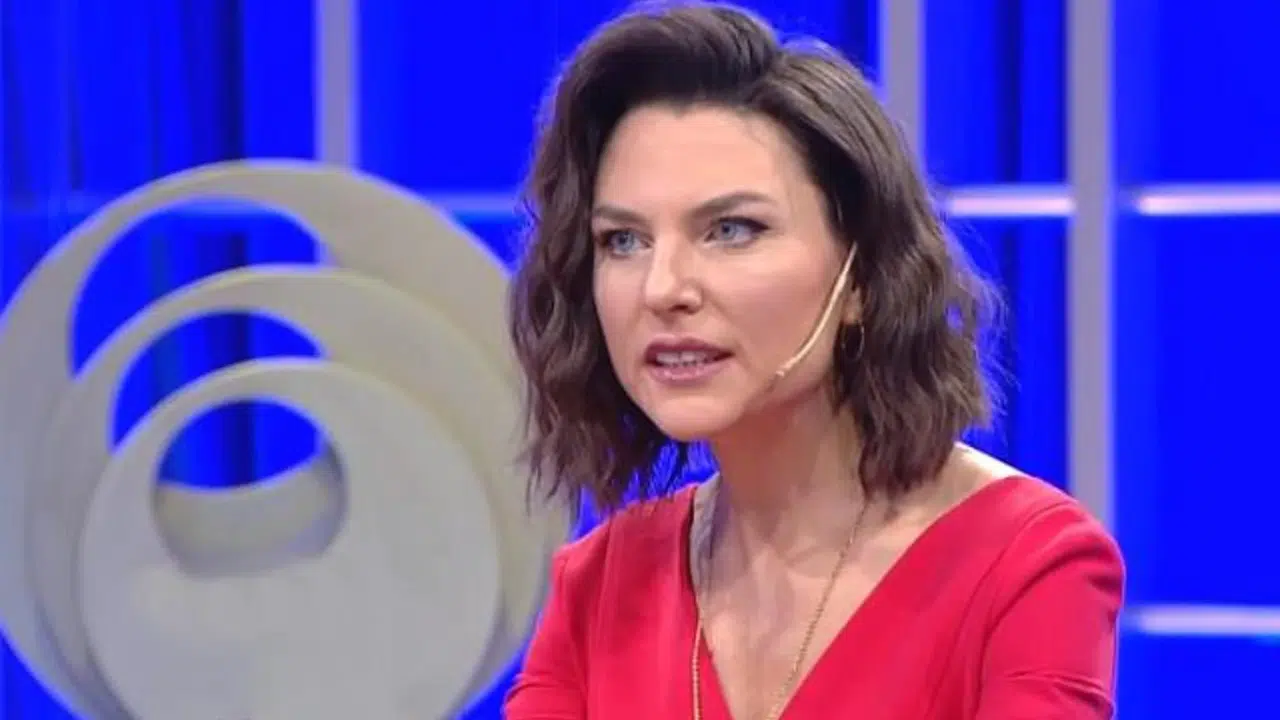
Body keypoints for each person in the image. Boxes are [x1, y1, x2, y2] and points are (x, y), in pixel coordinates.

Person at [503, 3, 1124, 719]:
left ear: (862, 276)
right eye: (623, 240)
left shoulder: (1025, 562)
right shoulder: (601, 585)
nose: (662, 288)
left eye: (731, 230)